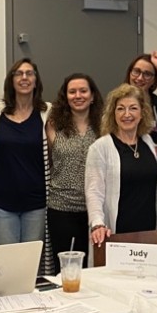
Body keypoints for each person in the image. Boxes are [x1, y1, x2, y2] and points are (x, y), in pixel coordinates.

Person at [0, 58, 51, 245]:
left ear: (36, 80)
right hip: (1, 202)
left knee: (31, 264)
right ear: (11, 80)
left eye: (29, 73)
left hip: (36, 203)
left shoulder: (47, 112)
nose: (24, 78)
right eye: (19, 73)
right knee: (5, 264)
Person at [87, 84, 157, 247]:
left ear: (142, 113)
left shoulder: (149, 143)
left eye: (133, 108)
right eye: (120, 109)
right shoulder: (100, 148)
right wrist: (97, 223)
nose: (127, 114)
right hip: (116, 233)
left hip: (149, 232)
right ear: (113, 113)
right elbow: (94, 191)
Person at [45, 73, 103, 269]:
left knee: (94, 268)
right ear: (65, 96)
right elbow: (50, 161)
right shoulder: (53, 125)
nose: (78, 95)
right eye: (72, 91)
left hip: (94, 211)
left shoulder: (104, 127)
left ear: (92, 95)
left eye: (83, 91)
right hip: (61, 208)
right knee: (66, 269)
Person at [125, 51, 157, 135]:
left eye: (147, 74)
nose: (140, 78)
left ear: (154, 80)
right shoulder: (117, 100)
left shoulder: (156, 103)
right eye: (136, 71)